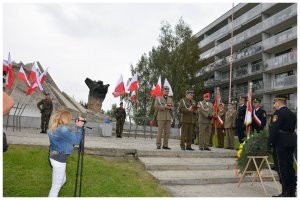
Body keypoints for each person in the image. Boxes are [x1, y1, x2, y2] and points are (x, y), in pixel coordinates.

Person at [48, 110, 85, 197]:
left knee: (62, 180)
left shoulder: (54, 127)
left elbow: (64, 140)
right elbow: (76, 141)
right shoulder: (63, 129)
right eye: (69, 117)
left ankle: (54, 195)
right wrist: (79, 127)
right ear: (64, 118)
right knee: (55, 187)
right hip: (59, 160)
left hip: (54, 157)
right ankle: (53, 196)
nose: (70, 119)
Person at [269, 95, 297, 197]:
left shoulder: (279, 113)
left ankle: (285, 192)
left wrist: (270, 143)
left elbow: (274, 129)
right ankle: (292, 191)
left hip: (281, 142)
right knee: (290, 167)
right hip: (291, 141)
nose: (274, 104)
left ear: (279, 102)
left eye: (275, 102)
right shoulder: (292, 113)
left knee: (282, 167)